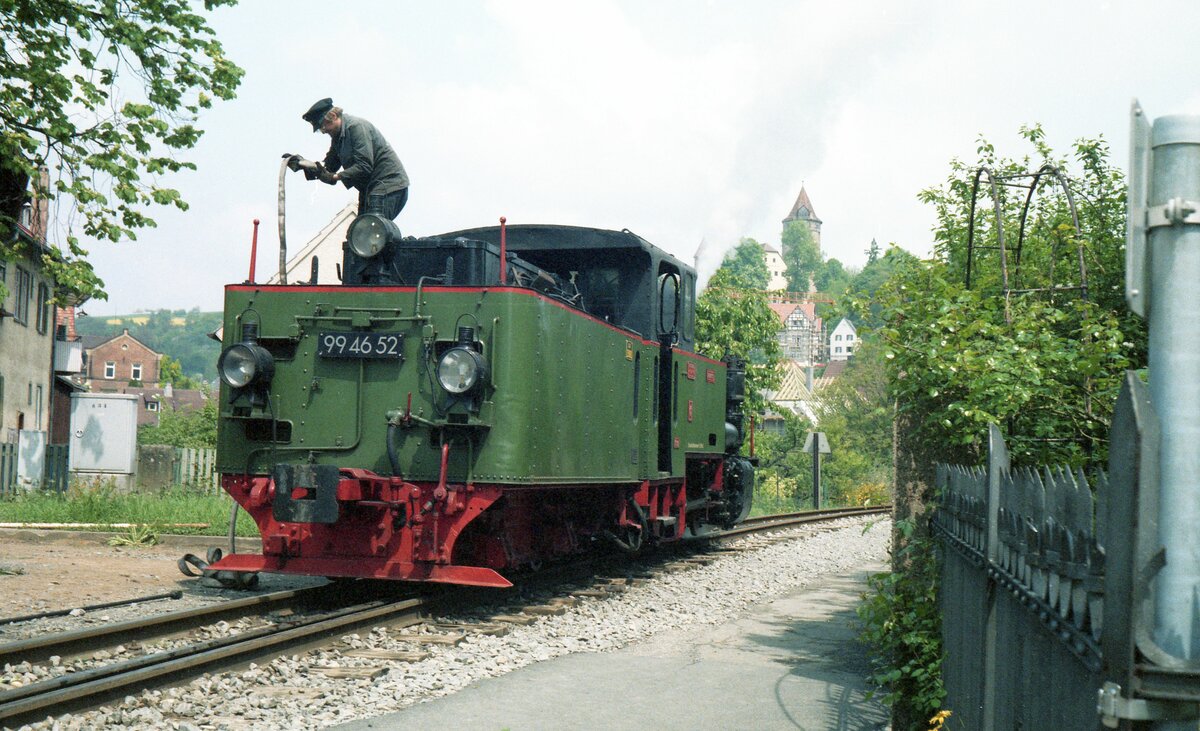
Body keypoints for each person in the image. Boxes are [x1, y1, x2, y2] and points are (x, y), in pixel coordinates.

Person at [300, 97, 409, 221]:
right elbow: (329, 167)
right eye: (320, 130)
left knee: (368, 232)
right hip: (370, 190)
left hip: (389, 187)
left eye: (323, 127)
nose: (324, 132)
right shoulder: (337, 137)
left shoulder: (356, 127)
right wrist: (303, 164)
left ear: (333, 116)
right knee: (357, 235)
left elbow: (364, 166)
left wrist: (336, 176)